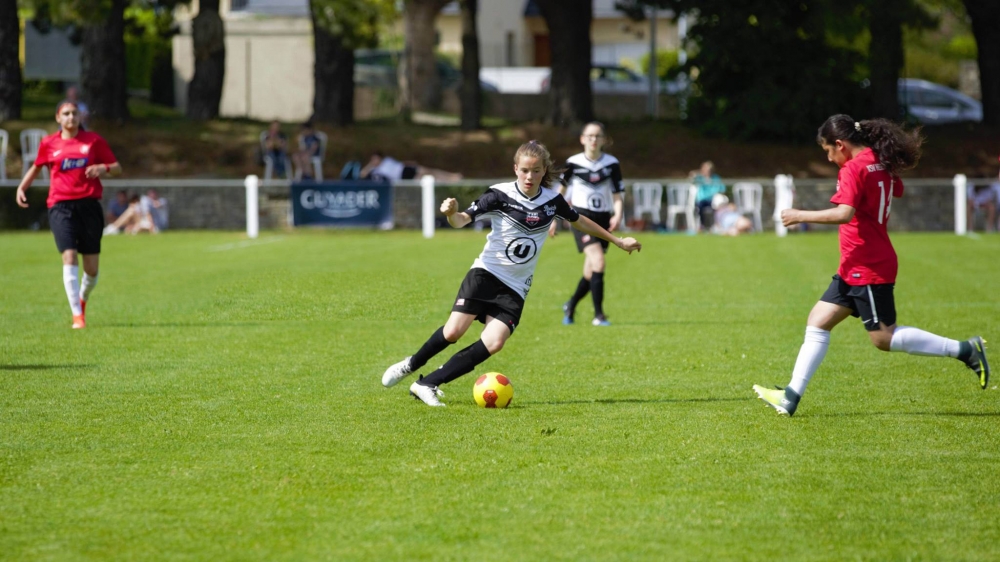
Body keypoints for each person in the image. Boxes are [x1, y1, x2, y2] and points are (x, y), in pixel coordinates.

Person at [753, 114, 989, 417]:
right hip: (855, 265)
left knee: (883, 338)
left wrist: (800, 215)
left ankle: (965, 350)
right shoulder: (880, 161)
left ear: (840, 144)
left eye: (828, 151)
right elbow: (895, 190)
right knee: (818, 321)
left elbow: (844, 213)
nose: (829, 158)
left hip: (867, 266)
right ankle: (790, 396)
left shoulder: (853, 168)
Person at [380, 141, 641, 407]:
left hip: (516, 286)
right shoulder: (498, 194)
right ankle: (410, 365)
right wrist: (451, 214)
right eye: (525, 170)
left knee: (494, 342)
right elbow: (461, 220)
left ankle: (427, 383)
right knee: (453, 332)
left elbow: (580, 220)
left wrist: (618, 241)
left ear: (544, 171)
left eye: (536, 171)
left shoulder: (552, 201)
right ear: (516, 168)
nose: (530, 176)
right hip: (486, 274)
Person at [15, 99, 121, 329]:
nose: (71, 117)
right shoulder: (48, 143)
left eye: (74, 113)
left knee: (91, 269)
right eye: (66, 114)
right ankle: (77, 315)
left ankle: (82, 298)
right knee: (69, 255)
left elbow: (117, 167)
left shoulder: (93, 141)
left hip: (89, 207)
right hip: (60, 206)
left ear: (80, 117)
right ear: (58, 118)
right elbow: (37, 166)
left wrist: (103, 168)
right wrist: (22, 187)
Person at [549, 121, 625, 326]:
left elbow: (618, 194)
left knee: (590, 272)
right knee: (599, 262)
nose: (593, 139)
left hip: (603, 218)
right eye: (589, 136)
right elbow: (560, 193)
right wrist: (553, 219)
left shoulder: (611, 163)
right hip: (580, 218)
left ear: (604, 140)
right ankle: (599, 315)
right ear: (582, 139)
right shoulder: (573, 163)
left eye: (597, 136)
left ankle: (570, 305)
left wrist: (617, 215)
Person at [360, 151, 463, 183]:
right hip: (403, 177)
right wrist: (370, 165)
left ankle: (452, 176)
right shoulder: (375, 170)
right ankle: (450, 181)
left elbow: (399, 163)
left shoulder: (387, 160)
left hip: (406, 169)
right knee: (428, 179)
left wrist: (410, 163)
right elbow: (362, 174)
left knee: (430, 171)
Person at [689, 161, 726, 230]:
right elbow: (691, 176)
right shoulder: (699, 178)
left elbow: (722, 189)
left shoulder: (716, 178)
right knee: (699, 208)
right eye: (705, 169)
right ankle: (701, 226)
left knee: (719, 206)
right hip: (702, 200)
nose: (707, 171)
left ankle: (717, 225)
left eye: (709, 169)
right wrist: (700, 172)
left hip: (713, 200)